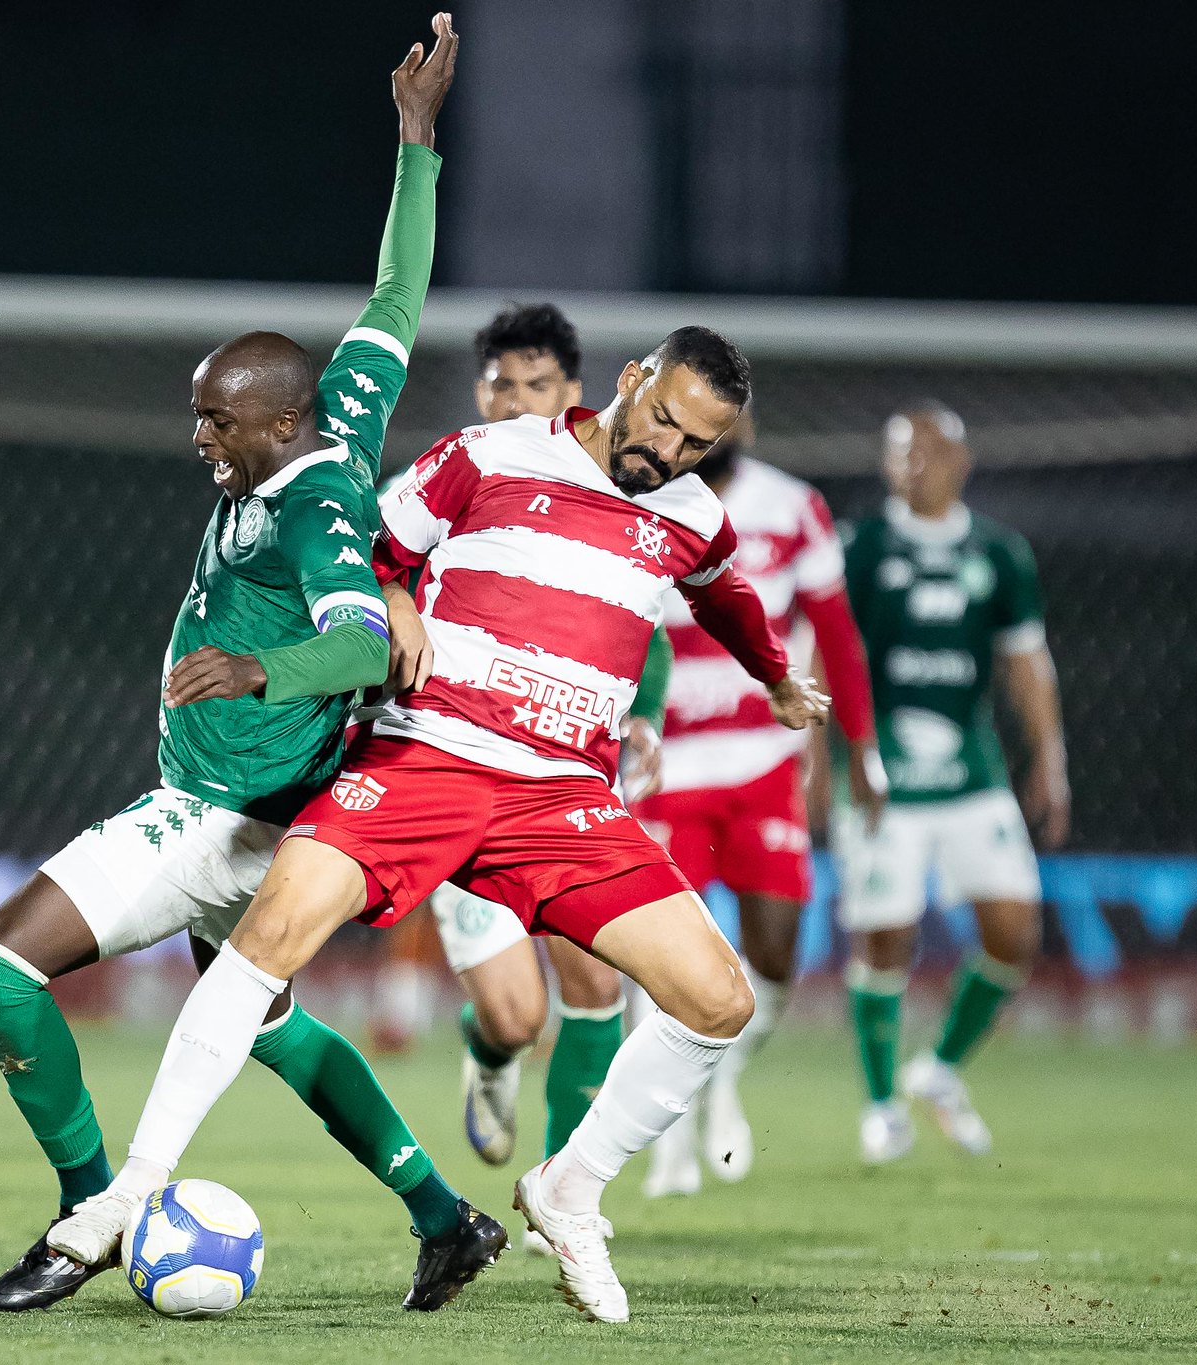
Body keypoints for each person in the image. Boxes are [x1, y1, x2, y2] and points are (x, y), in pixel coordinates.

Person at [48, 326, 832, 1324]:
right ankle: (127, 1190)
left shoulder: (690, 515)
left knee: (715, 998)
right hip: (429, 758)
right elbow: (360, 541)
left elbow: (723, 596)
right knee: (271, 934)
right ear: (631, 381)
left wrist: (774, 679)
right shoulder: (490, 453)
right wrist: (386, 596)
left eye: (694, 446)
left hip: (562, 800)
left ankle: (567, 1189)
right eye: (663, 423)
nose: (666, 454)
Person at [0, 15, 501, 1316]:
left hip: (225, 814)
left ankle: (93, 1207)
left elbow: (364, 636)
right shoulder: (343, 415)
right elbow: (396, 300)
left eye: (215, 419)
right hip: (253, 810)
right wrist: (418, 145)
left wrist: (266, 677)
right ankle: (443, 1214)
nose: (198, 436)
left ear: (273, 423)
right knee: (270, 1027)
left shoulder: (318, 508)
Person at [406, 306, 660, 1233]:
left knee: (597, 985)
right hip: (461, 773)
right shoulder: (452, 473)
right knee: (517, 1016)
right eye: (501, 385)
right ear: (481, 392)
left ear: (573, 397)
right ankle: (490, 1051)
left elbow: (646, 622)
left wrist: (650, 721)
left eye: (536, 386)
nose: (515, 400)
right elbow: (377, 570)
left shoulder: (619, 496)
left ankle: (560, 1188)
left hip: (565, 782)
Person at [633, 407, 882, 1196]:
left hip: (765, 765)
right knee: (664, 961)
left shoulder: (794, 506)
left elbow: (836, 633)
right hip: (668, 765)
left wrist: (861, 749)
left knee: (775, 957)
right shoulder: (642, 501)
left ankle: (720, 1076)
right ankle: (666, 1140)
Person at [835, 403, 1069, 1164]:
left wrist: (1050, 759)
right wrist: (827, 761)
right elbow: (826, 658)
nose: (914, 464)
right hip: (883, 778)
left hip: (972, 774)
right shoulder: (862, 547)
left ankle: (936, 1070)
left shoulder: (999, 553)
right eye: (901, 451)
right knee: (886, 938)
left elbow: (1027, 661)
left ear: (962, 462)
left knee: (1015, 933)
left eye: (930, 451)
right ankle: (880, 1107)